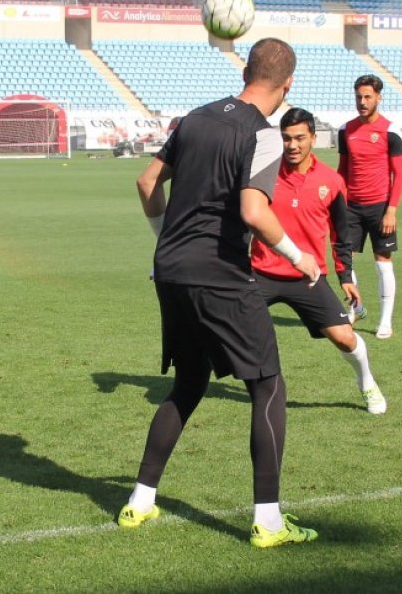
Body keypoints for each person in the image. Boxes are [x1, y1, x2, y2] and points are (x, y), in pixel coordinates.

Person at [120, 38, 321, 548]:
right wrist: (299, 258)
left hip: (170, 270)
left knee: (189, 384)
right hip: (219, 273)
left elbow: (146, 184)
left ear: (247, 69)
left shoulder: (195, 117)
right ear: (288, 83)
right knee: (268, 386)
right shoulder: (264, 135)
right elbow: (254, 211)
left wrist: (169, 240)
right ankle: (269, 522)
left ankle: (139, 501)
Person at [251, 108, 386, 415]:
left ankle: (366, 382)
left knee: (344, 337)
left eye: (299, 138)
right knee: (220, 322)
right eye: (286, 139)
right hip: (261, 271)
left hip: (308, 277)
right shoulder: (263, 174)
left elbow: (341, 234)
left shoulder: (332, 181)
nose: (292, 145)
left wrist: (346, 277)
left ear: (313, 137)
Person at [338, 75, 402, 339]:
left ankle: (385, 321)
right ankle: (356, 309)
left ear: (379, 97)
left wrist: (392, 210)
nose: (362, 102)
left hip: (380, 207)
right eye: (358, 97)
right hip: (351, 207)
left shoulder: (391, 131)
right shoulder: (346, 130)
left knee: (383, 263)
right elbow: (342, 170)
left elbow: (398, 175)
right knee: (346, 261)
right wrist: (338, 203)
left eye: (367, 97)